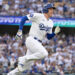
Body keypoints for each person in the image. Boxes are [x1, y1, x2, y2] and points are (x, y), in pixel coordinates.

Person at [7, 3, 60, 75]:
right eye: (50, 9)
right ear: (46, 10)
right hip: (31, 40)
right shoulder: (38, 16)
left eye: (52, 9)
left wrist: (54, 33)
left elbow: (48, 37)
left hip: (38, 43)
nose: (52, 11)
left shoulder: (51, 22)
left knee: (24, 67)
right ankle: (23, 59)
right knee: (44, 53)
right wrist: (20, 30)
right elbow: (24, 18)